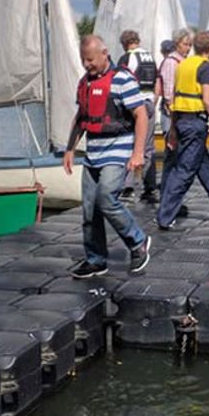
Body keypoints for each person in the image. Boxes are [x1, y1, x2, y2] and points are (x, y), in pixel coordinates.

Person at [63, 35, 151, 278]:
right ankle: (96, 259)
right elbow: (81, 117)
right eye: (83, 60)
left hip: (118, 149)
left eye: (90, 59)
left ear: (105, 54)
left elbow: (141, 115)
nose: (87, 64)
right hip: (93, 152)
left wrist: (138, 153)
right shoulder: (85, 82)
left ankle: (138, 241)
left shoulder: (122, 79)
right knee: (89, 210)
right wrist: (70, 149)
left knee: (106, 198)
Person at [156, 30, 209, 229]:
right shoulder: (206, 67)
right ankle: (165, 217)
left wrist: (174, 129)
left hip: (182, 121)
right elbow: (208, 101)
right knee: (184, 171)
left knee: (206, 168)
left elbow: (175, 98)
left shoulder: (183, 65)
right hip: (195, 124)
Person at [117, 30, 158, 203]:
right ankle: (150, 187)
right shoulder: (150, 57)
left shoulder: (127, 58)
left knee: (129, 144)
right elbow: (157, 83)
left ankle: (128, 187)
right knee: (148, 148)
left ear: (124, 44)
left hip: (134, 104)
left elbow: (120, 81)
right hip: (150, 102)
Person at [155, 28, 192, 201]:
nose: (188, 48)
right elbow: (169, 93)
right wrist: (173, 121)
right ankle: (167, 196)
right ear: (177, 44)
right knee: (172, 158)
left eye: (190, 45)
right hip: (172, 116)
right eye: (185, 44)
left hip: (181, 116)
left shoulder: (184, 62)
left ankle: (172, 197)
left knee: (178, 159)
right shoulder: (172, 62)